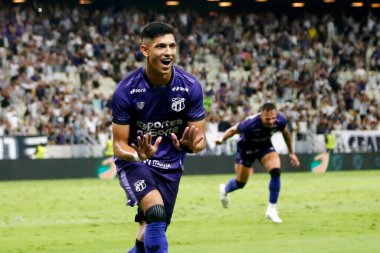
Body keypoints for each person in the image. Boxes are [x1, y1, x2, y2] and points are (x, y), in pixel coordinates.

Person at [111, 22, 206, 253]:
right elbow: (118, 145)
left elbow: (200, 140)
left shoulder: (190, 86)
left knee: (150, 233)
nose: (169, 52)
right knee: (155, 212)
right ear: (145, 51)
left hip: (171, 165)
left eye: (172, 46)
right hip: (137, 163)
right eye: (161, 46)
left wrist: (192, 146)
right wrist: (137, 154)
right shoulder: (126, 90)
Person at [215, 103, 300, 223]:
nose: (271, 121)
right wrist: (221, 139)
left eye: (273, 118)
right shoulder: (250, 124)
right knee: (240, 183)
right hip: (246, 149)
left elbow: (286, 133)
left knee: (276, 171)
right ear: (261, 115)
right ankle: (225, 189)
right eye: (267, 119)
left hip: (264, 146)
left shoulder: (280, 120)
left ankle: (271, 210)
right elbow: (233, 130)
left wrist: (291, 152)